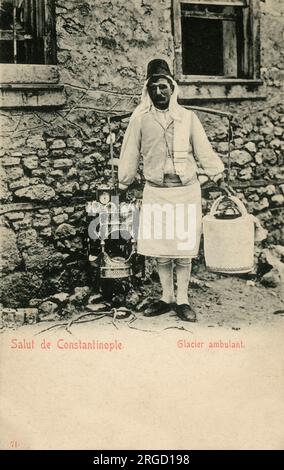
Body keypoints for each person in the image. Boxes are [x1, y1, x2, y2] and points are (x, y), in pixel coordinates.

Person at [118, 59, 226, 322]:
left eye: (163, 87)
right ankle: (166, 297)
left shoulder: (187, 118)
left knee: (183, 247)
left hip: (185, 191)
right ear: (147, 90)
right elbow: (130, 152)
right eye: (154, 87)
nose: (159, 92)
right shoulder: (140, 120)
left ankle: (183, 300)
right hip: (156, 191)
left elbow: (203, 150)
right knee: (161, 248)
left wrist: (216, 173)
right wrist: (124, 181)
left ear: (172, 88)